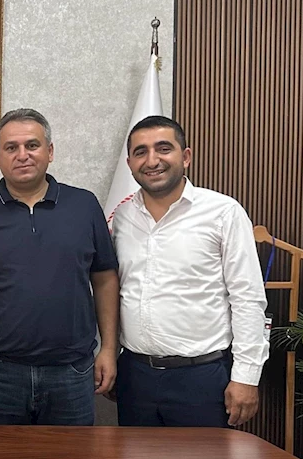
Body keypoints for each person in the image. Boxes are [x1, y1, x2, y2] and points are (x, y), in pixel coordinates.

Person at [0, 109, 119, 425]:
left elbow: (105, 279)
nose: (22, 155)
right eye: (11, 147)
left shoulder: (84, 206)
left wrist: (109, 349)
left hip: (71, 370)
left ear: (50, 151)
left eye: (32, 145)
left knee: (71, 458)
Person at [111, 115, 268, 427]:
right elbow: (114, 291)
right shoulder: (122, 217)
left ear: (185, 157)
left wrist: (246, 377)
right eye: (141, 152)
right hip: (135, 377)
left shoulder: (223, 212)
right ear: (129, 164)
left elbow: (248, 298)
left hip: (202, 378)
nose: (152, 160)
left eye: (163, 148)